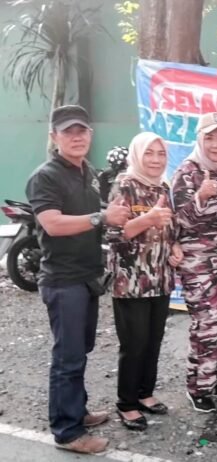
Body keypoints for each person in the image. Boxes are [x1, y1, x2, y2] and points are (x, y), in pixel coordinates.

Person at [25, 105, 130, 454]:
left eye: (81, 130)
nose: (76, 137)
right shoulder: (46, 176)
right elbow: (53, 223)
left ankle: (77, 410)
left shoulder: (88, 172)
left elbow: (94, 219)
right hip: (63, 280)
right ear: (54, 137)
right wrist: (102, 217)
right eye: (68, 131)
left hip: (87, 276)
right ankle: (67, 431)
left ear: (90, 135)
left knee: (80, 351)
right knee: (67, 357)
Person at [106, 132, 183, 430]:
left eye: (161, 153)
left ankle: (145, 393)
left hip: (160, 279)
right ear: (137, 155)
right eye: (149, 153)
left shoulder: (163, 186)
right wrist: (147, 219)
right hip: (131, 282)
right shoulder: (124, 186)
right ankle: (126, 403)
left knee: (153, 341)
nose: (155, 159)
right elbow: (113, 235)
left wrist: (175, 248)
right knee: (134, 344)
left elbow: (170, 230)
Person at [172, 112, 217, 412]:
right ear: (199, 140)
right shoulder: (187, 172)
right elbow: (179, 220)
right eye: (209, 138)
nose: (216, 144)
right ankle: (197, 387)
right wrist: (200, 196)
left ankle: (207, 380)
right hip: (197, 263)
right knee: (206, 323)